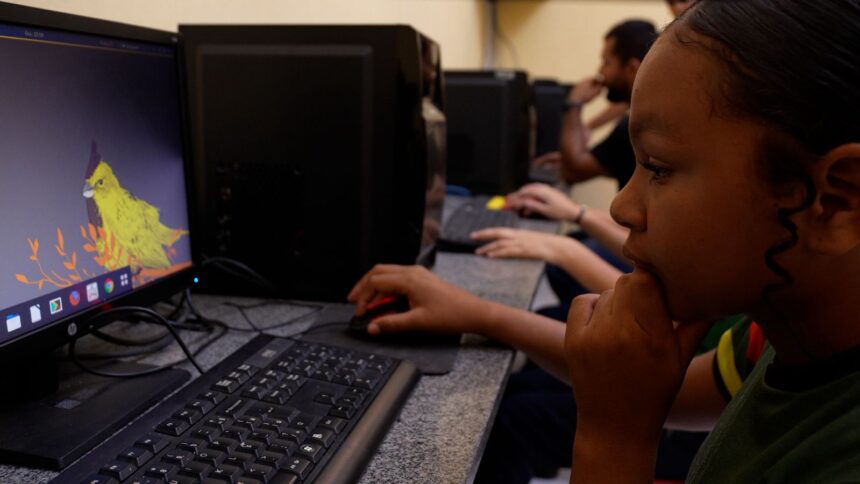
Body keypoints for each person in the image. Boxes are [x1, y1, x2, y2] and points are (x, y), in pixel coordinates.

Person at [565, 0, 860, 481]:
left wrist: (612, 441)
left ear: (834, 201)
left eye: (658, 168)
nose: (621, 208)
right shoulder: (784, 333)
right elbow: (644, 379)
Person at [558, 20, 656, 187]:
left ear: (632, 68)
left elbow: (573, 171)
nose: (600, 72)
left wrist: (574, 103)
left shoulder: (634, 129)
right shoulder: (656, 114)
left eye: (606, 62)